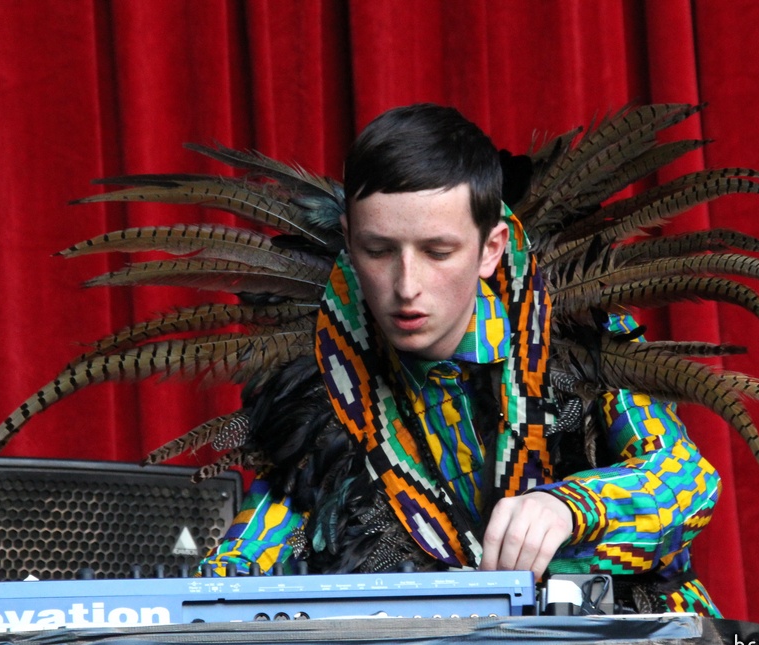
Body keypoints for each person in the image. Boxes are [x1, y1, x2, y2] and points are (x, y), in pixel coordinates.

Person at [200, 103, 723, 616]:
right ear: (350, 244)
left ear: (491, 248)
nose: (407, 286)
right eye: (379, 251)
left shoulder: (581, 339)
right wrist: (202, 598)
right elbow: (248, 557)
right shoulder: (329, 385)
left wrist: (569, 507)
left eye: (438, 252)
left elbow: (688, 482)